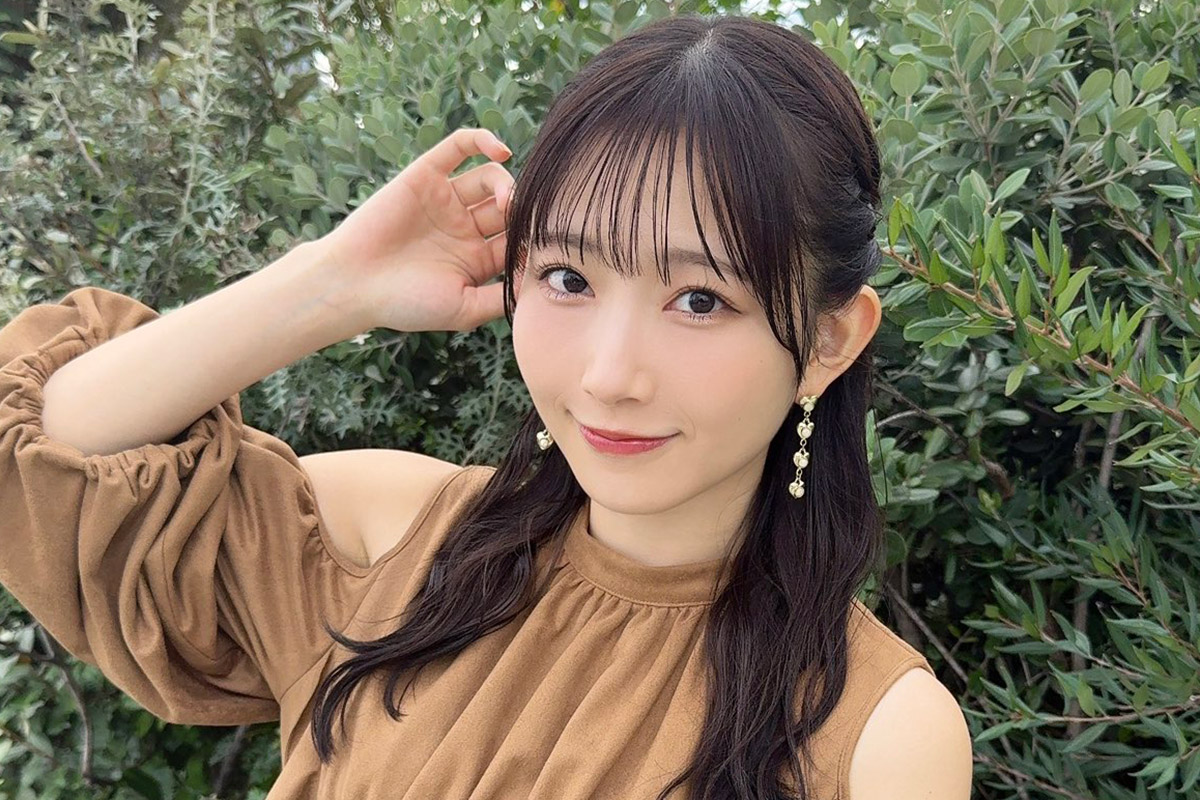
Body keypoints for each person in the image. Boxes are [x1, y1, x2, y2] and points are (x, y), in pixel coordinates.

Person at [0, 12, 972, 800]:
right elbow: (53, 454)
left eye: (700, 299)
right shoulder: (399, 537)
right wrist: (332, 284)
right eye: (568, 278)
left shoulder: (879, 736)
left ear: (830, 341)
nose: (609, 375)